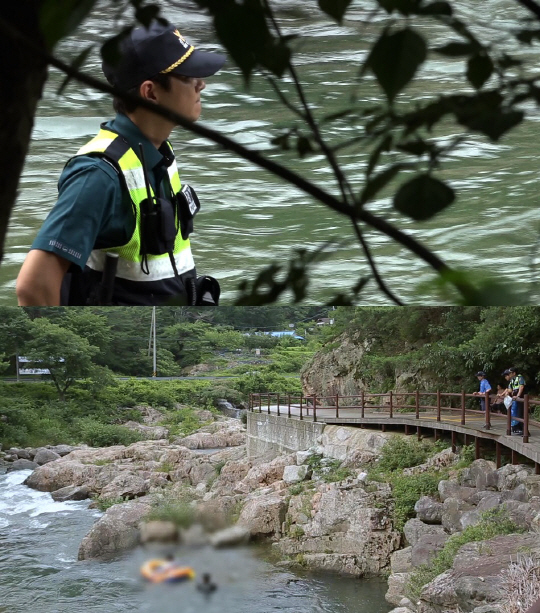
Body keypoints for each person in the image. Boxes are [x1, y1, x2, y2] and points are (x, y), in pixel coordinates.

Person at [16, 21, 225, 306]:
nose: (202, 83)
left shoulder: (157, 151)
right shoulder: (99, 174)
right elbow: (34, 286)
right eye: (188, 76)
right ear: (151, 92)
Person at [508, 366, 526, 435]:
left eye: (510, 373)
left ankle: (524, 431)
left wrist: (518, 395)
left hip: (521, 397)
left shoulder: (520, 377)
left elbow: (521, 387)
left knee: (521, 413)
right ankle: (518, 429)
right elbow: (510, 388)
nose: (509, 374)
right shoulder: (512, 379)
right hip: (515, 398)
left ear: (514, 373)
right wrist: (510, 393)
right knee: (517, 413)